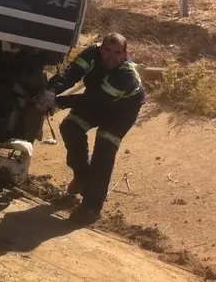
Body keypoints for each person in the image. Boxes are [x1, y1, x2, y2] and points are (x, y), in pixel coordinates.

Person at [33, 32, 145, 226]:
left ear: (125, 55)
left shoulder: (126, 76)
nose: (111, 56)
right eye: (107, 50)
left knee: (104, 149)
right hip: (97, 99)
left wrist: (58, 102)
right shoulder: (91, 53)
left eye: (117, 52)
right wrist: (51, 91)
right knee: (70, 127)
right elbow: (71, 73)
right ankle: (82, 175)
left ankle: (91, 207)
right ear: (101, 49)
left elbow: (93, 100)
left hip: (121, 111)